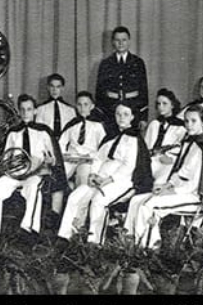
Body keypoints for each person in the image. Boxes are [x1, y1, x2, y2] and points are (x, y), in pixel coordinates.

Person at [125, 105, 203, 249]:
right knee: (136, 200)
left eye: (193, 121)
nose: (189, 125)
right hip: (180, 190)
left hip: (195, 196)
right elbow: (181, 172)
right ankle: (129, 240)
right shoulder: (189, 142)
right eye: (186, 121)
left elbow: (195, 184)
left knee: (149, 205)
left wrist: (172, 191)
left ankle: (148, 247)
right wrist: (166, 186)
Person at [57, 103, 152, 244]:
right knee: (75, 196)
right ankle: (68, 236)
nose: (121, 118)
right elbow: (98, 158)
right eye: (118, 114)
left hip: (121, 181)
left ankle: (94, 242)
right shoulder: (111, 136)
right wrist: (93, 174)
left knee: (98, 201)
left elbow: (129, 166)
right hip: (99, 178)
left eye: (125, 114)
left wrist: (108, 180)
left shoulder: (134, 139)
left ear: (132, 117)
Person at [0, 94, 66, 237]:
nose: (25, 113)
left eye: (29, 109)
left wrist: (50, 161)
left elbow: (54, 158)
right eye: (22, 109)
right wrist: (4, 164)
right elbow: (7, 156)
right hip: (16, 174)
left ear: (35, 111)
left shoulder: (44, 131)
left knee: (33, 187)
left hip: (36, 173)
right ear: (19, 111)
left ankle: (27, 228)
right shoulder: (13, 133)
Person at [95, 26, 149, 131]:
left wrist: (143, 117)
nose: (121, 43)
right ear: (112, 42)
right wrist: (100, 117)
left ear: (129, 41)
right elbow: (99, 92)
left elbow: (143, 91)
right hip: (110, 112)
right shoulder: (105, 64)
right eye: (117, 40)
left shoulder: (138, 63)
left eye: (124, 40)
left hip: (132, 111)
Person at [144, 88, 187, 184]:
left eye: (164, 103)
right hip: (151, 160)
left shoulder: (180, 127)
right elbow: (146, 146)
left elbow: (181, 149)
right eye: (158, 104)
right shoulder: (154, 124)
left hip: (168, 162)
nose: (161, 107)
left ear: (172, 105)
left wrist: (170, 158)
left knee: (161, 180)